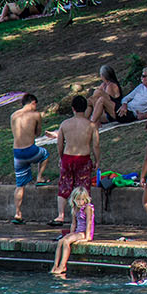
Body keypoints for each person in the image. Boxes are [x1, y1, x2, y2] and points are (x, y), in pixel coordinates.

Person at [53, 96, 99, 227]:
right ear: (85, 108)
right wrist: (97, 160)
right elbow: (96, 145)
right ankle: (82, 216)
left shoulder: (65, 124)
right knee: (83, 188)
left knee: (64, 186)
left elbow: (59, 143)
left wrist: (61, 157)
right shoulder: (91, 125)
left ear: (72, 108)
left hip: (68, 157)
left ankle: (60, 215)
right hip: (83, 158)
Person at [9, 94, 48, 224]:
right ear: (32, 102)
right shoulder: (36, 115)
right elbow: (38, 133)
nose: (36, 107)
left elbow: (14, 132)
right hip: (30, 150)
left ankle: (17, 213)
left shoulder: (13, 115)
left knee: (20, 185)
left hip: (17, 153)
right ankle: (40, 177)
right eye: (35, 104)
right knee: (45, 154)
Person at [50, 186, 95, 277]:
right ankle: (55, 265)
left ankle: (63, 266)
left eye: (82, 200)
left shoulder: (87, 208)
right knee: (61, 241)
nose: (80, 202)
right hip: (77, 231)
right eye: (78, 200)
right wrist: (70, 233)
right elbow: (74, 224)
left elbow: (89, 222)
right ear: (74, 200)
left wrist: (87, 237)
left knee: (66, 242)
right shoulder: (75, 209)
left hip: (84, 233)